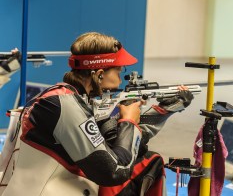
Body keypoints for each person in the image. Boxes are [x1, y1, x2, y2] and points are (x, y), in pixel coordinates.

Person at [2, 32, 193, 196]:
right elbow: (114, 171)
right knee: (147, 165)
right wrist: (128, 122)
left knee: (149, 159)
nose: (120, 79)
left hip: (59, 187)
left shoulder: (73, 99)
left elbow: (117, 144)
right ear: (100, 73)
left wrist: (163, 110)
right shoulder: (65, 105)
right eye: (119, 70)